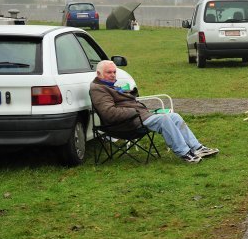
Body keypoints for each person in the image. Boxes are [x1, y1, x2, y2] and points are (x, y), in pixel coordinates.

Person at [90, 60, 219, 164]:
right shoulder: (99, 89)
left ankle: (197, 148)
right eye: (109, 72)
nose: (113, 75)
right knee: (163, 119)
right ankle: (185, 153)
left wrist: (130, 94)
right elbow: (109, 113)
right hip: (126, 123)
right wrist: (133, 111)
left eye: (114, 72)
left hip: (139, 116)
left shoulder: (108, 85)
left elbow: (120, 101)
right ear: (99, 74)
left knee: (174, 116)